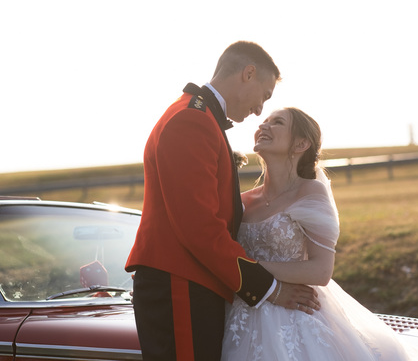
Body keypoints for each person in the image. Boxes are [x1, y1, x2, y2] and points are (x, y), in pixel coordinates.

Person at [125, 42, 320, 361]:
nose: (260, 110)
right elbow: (200, 229)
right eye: (265, 95)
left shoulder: (198, 115)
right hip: (180, 285)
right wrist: (271, 289)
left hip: (188, 283)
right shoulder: (193, 120)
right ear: (248, 73)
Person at [221, 107, 418, 360]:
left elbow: (320, 271)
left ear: (301, 144)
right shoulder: (242, 201)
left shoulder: (310, 193)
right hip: (242, 311)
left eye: (277, 122)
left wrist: (249, 268)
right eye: (263, 121)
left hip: (295, 313)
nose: (263, 126)